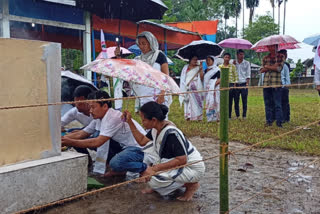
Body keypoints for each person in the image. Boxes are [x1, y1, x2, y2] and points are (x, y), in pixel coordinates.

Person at [122, 101, 205, 201]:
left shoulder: (171, 133)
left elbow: (182, 160)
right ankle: (168, 184)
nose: (142, 123)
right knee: (150, 174)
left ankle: (191, 185)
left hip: (192, 168)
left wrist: (154, 169)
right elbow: (142, 141)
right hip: (181, 165)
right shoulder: (156, 129)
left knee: (153, 180)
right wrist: (129, 122)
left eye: (143, 120)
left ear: (153, 120)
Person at [61, 90, 147, 176]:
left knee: (116, 163)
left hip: (139, 148)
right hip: (124, 146)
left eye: (93, 107)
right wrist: (62, 139)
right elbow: (82, 133)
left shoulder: (113, 117)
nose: (90, 111)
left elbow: (97, 142)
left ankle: (145, 168)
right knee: (92, 137)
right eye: (90, 107)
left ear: (105, 106)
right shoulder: (99, 118)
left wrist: (70, 142)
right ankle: (118, 167)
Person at [131, 31, 171, 112]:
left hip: (158, 93)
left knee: (159, 117)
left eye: (144, 43)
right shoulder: (139, 59)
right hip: (144, 94)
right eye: (139, 44)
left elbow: (166, 76)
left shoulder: (159, 56)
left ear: (151, 43)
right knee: (147, 118)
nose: (142, 47)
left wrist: (162, 93)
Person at [260, 45, 285, 127]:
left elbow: (279, 69)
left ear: (276, 47)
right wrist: (273, 66)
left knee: (277, 104)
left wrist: (267, 66)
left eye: (273, 47)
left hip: (276, 83)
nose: (271, 48)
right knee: (267, 103)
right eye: (269, 47)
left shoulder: (281, 56)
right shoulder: (265, 58)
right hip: (267, 83)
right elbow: (262, 70)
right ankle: (269, 121)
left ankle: (279, 122)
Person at [179, 56, 204, 121]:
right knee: (187, 102)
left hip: (196, 87)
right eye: (194, 59)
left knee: (197, 102)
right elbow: (183, 77)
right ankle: (188, 116)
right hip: (187, 87)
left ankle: (198, 117)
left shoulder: (199, 67)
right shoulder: (185, 67)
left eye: (196, 59)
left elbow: (201, 78)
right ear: (190, 60)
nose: (195, 61)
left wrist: (201, 69)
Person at [218, 53, 238, 119]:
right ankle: (222, 115)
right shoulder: (220, 67)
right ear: (223, 58)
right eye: (225, 57)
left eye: (228, 57)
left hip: (231, 84)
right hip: (223, 84)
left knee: (229, 101)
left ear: (230, 58)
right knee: (222, 101)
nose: (226, 58)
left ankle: (229, 116)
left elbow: (235, 76)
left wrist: (234, 85)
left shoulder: (232, 66)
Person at [234, 49, 251, 119]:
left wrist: (247, 84)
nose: (242, 56)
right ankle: (237, 115)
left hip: (244, 83)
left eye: (243, 54)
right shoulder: (234, 63)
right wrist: (233, 65)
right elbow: (233, 73)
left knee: (244, 100)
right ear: (237, 55)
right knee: (236, 100)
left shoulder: (246, 63)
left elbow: (248, 74)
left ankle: (244, 115)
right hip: (236, 84)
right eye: (240, 54)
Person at [203, 55, 220, 122]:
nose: (208, 62)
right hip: (207, 89)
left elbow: (220, 79)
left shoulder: (217, 70)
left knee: (216, 102)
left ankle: (217, 117)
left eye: (209, 60)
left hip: (215, 89)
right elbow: (202, 79)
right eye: (206, 60)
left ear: (213, 61)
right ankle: (210, 118)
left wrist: (213, 85)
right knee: (209, 102)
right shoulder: (205, 70)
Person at [278, 49, 291, 123]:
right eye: (283, 54)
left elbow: (287, 76)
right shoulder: (276, 64)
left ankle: (286, 118)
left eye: (286, 54)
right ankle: (279, 117)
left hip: (284, 87)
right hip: (277, 86)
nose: (285, 55)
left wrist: (287, 86)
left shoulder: (286, 65)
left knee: (285, 103)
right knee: (278, 103)